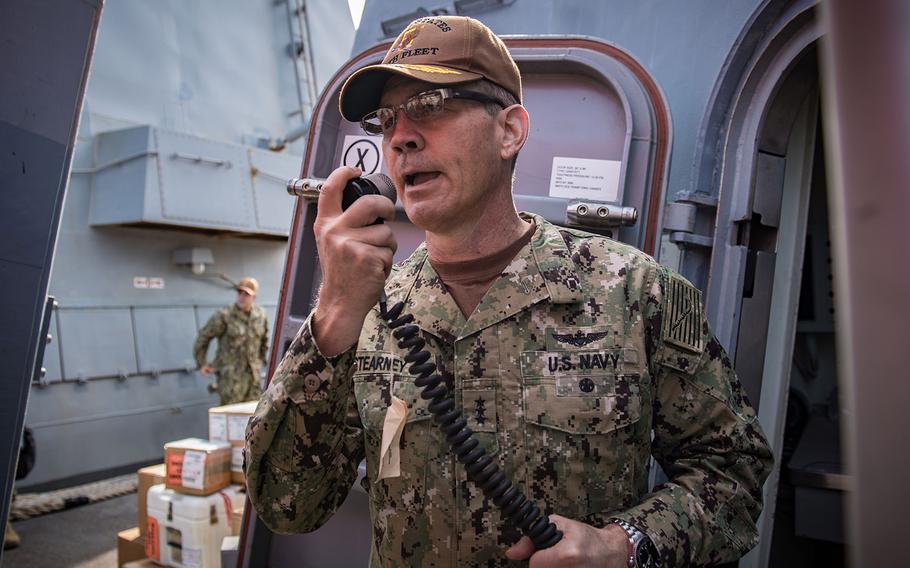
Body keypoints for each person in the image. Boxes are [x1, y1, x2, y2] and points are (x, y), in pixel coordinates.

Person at [245, 15, 772, 567]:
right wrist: (333, 310)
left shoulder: (637, 291)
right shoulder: (365, 310)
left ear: (510, 131)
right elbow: (287, 506)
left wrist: (623, 545)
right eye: (386, 119)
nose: (399, 137)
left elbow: (733, 472)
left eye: (431, 105)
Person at [194, 277, 269, 405]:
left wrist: (261, 359)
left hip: (253, 379)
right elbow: (203, 336)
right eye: (239, 293)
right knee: (231, 417)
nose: (241, 297)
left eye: (246, 294)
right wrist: (202, 363)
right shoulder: (224, 315)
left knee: (253, 417)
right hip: (231, 380)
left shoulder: (260, 315)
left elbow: (264, 339)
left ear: (254, 297)